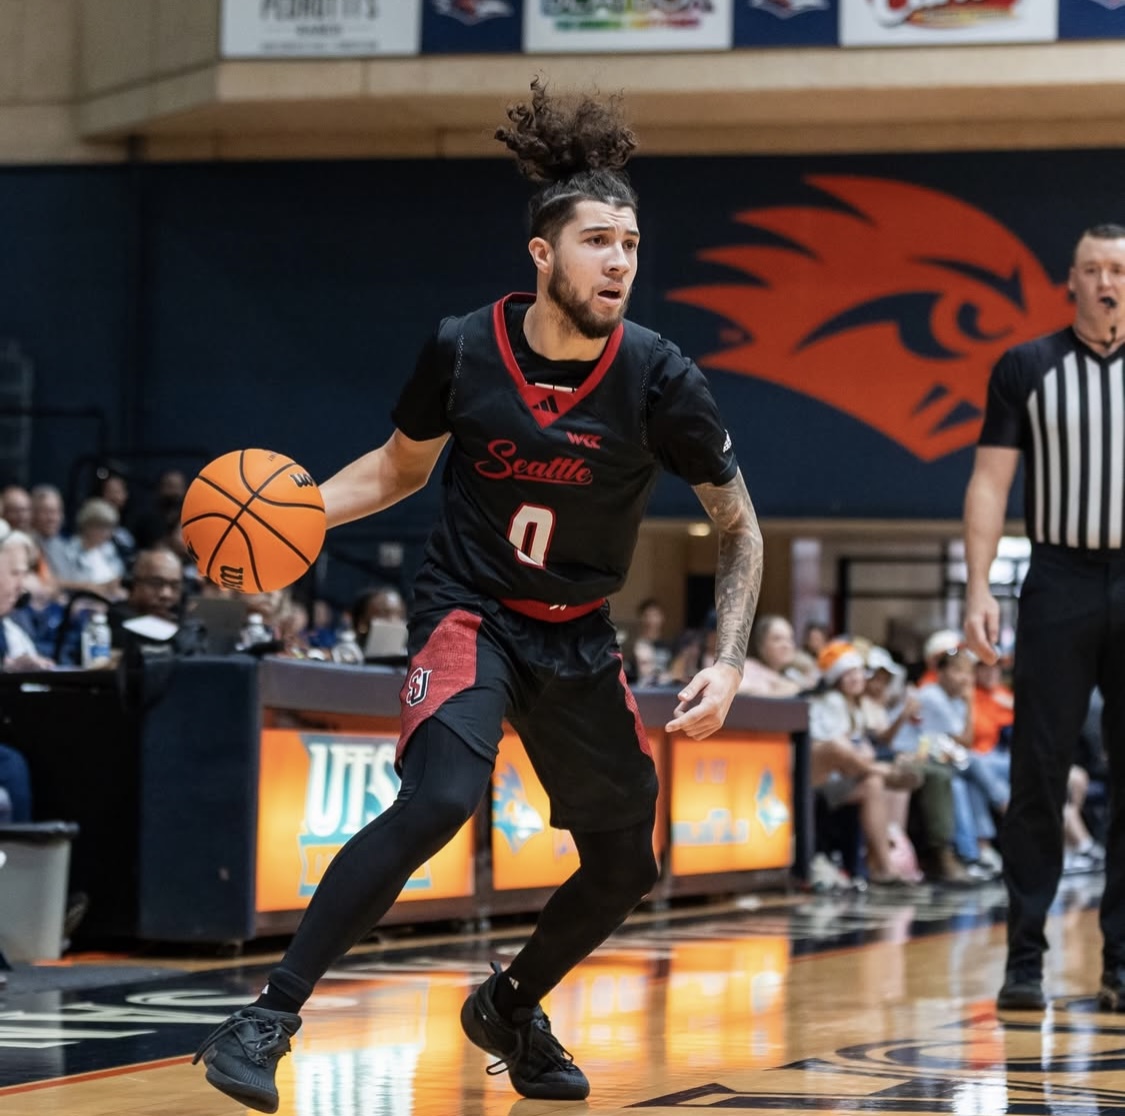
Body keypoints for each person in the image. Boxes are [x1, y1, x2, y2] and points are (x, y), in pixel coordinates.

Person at [194, 78, 763, 1114]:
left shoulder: (660, 379)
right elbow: (397, 470)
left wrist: (726, 662)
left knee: (625, 864)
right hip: (472, 609)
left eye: (631, 245)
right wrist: (292, 518)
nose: (620, 263)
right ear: (542, 254)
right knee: (442, 800)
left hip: (577, 632)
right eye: (597, 242)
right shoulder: (461, 348)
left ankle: (509, 1005)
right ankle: (265, 1017)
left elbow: (737, 527)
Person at [962, 222, 1125, 1011]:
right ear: (1070, 280)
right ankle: (1023, 959)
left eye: (1118, 270)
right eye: (1092, 269)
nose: (1106, 282)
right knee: (1037, 769)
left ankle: (1120, 963)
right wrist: (976, 588)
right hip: (1057, 577)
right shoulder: (1026, 366)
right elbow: (989, 482)